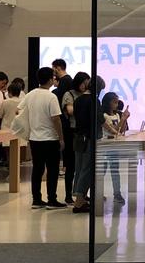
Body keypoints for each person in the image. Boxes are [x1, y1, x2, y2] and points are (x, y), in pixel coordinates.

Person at [20, 66, 66, 209]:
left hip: (35, 138)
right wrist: (61, 138)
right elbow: (56, 119)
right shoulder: (51, 97)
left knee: (37, 169)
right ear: (50, 79)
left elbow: (18, 110)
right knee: (52, 170)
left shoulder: (30, 95)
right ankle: (52, 199)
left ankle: (36, 199)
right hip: (50, 138)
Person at [66, 74, 94, 213]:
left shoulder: (78, 100)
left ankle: (80, 197)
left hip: (78, 135)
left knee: (80, 167)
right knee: (85, 168)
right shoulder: (90, 100)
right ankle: (79, 199)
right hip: (86, 137)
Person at [52, 61, 76, 204]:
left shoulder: (65, 82)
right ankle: (71, 194)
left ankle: (70, 194)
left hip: (67, 127)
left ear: (58, 67)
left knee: (70, 163)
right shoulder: (67, 83)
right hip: (68, 127)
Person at [98, 91, 126, 206]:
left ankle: (117, 193)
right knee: (103, 171)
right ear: (108, 103)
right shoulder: (104, 116)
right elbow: (113, 130)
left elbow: (121, 130)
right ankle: (98, 192)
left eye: (117, 102)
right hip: (106, 145)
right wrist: (123, 119)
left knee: (115, 171)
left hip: (114, 146)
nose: (116, 104)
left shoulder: (117, 115)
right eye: (114, 102)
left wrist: (124, 119)